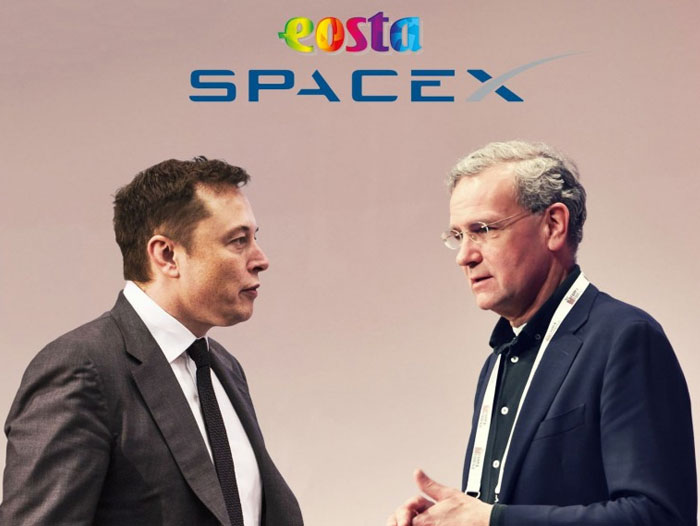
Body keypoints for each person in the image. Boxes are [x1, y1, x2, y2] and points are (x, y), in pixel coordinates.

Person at [387, 141, 696, 526]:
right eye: (458, 235)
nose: (464, 256)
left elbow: (659, 517)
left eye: (483, 230)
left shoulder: (626, 339)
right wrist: (448, 519)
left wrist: (494, 521)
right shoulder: (497, 360)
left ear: (553, 225)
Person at [0, 157, 303, 526]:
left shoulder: (221, 366)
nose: (260, 259)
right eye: (238, 241)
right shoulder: (81, 368)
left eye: (255, 237)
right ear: (167, 255)